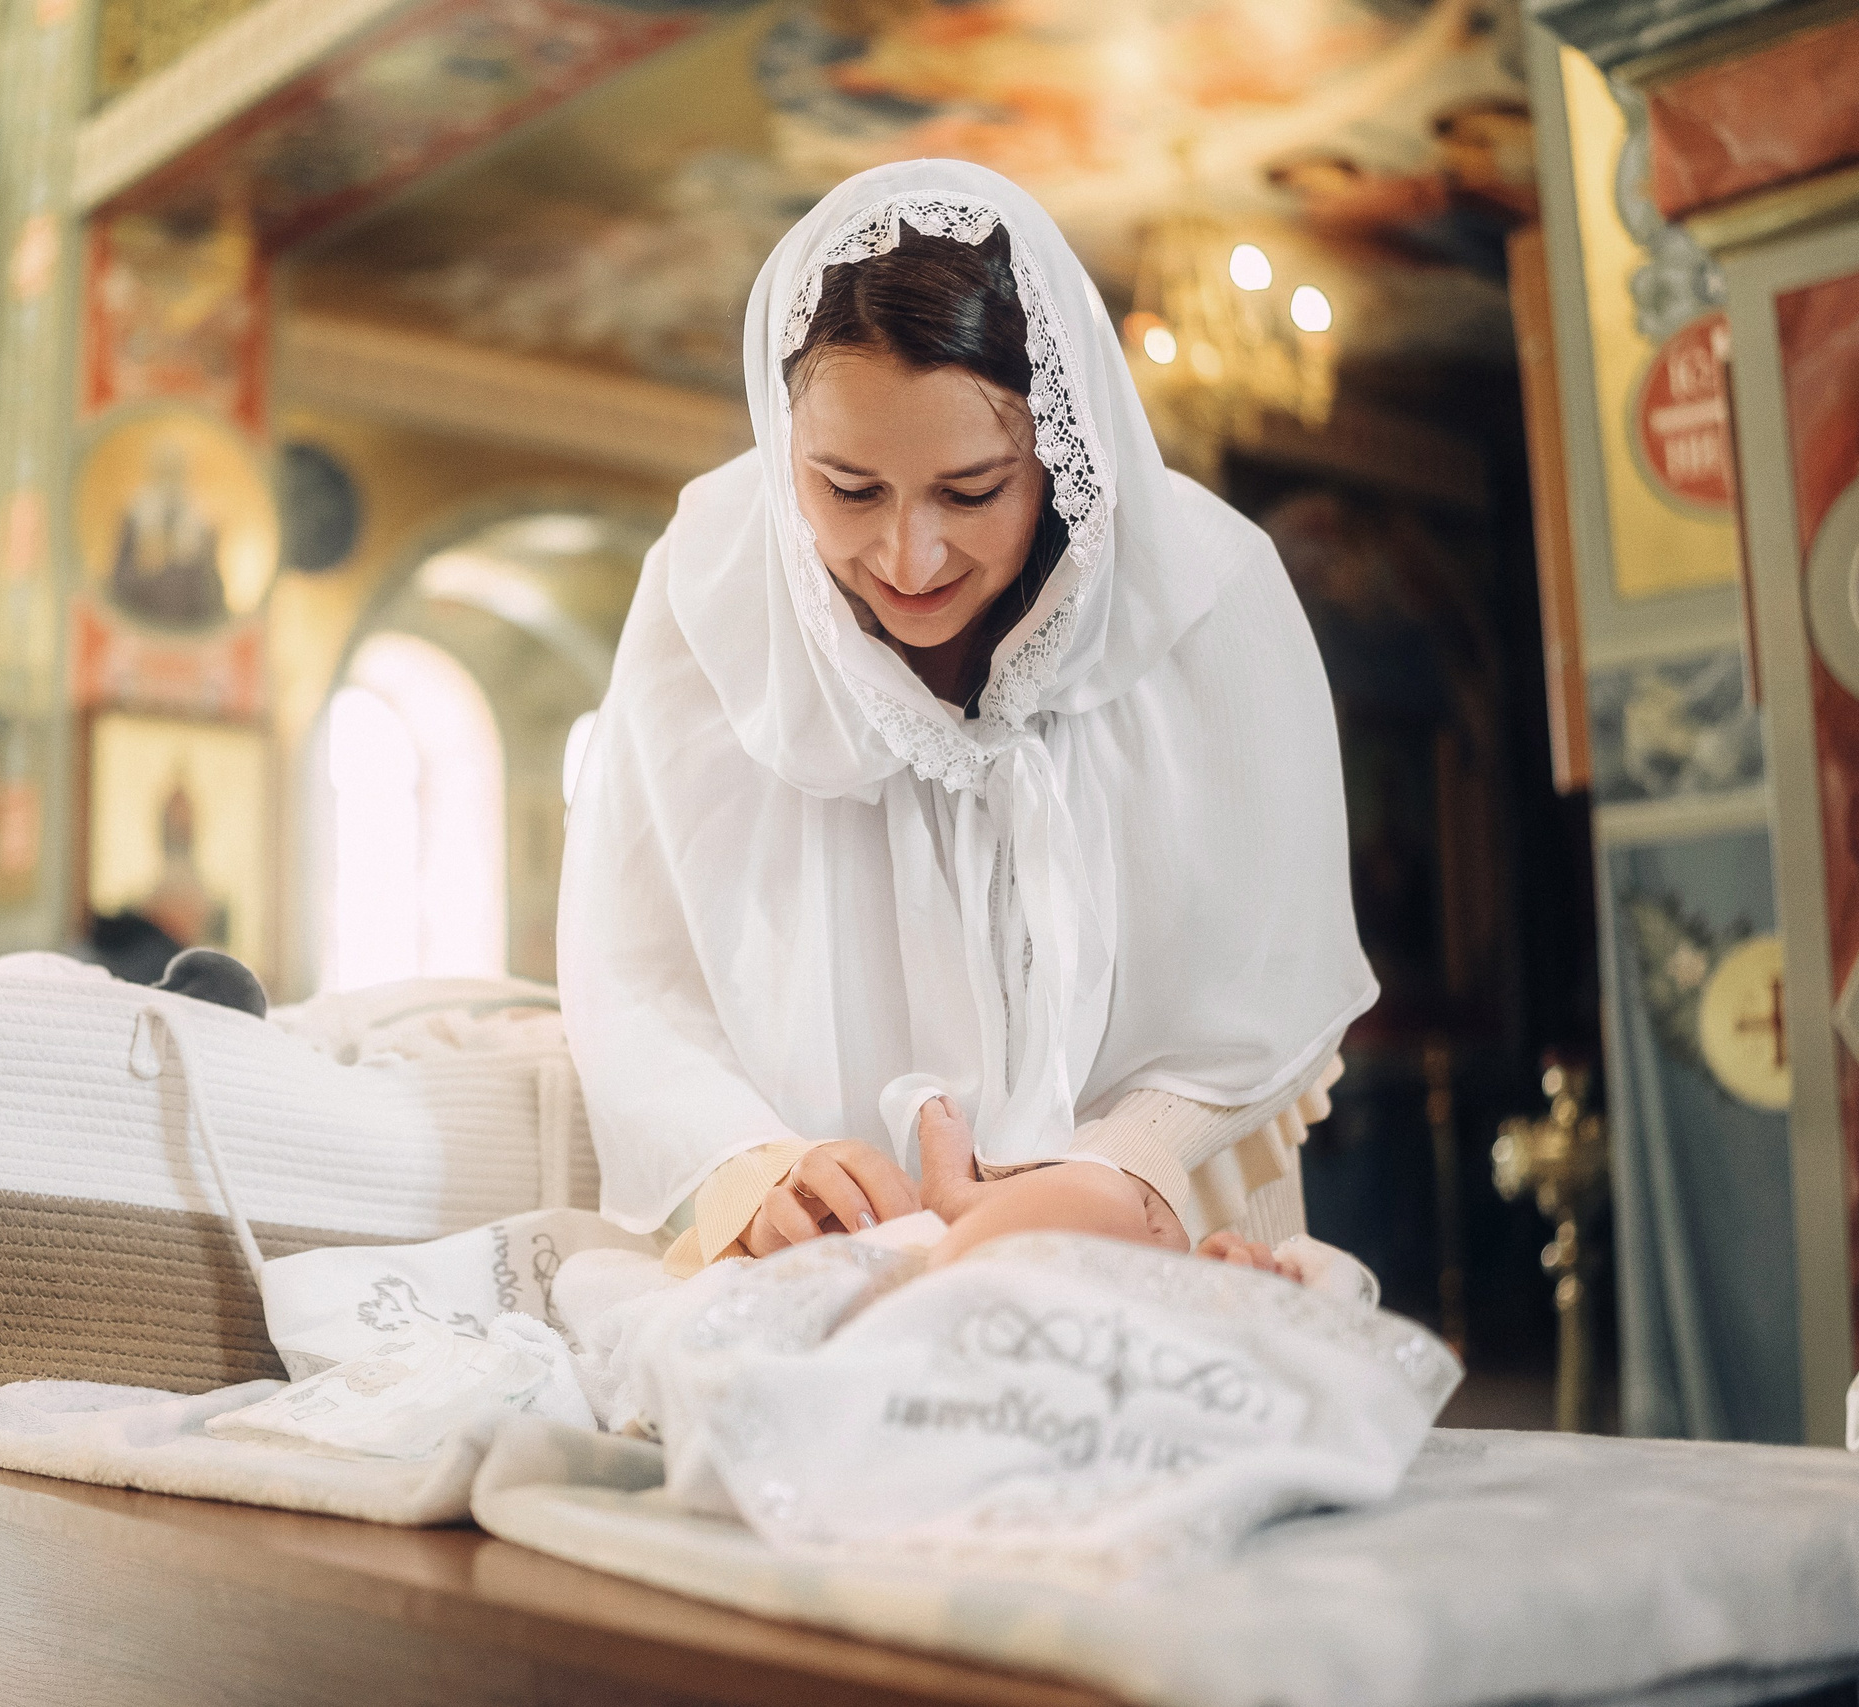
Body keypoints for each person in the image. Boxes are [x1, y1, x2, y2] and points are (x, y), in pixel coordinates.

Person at [559, 160, 1374, 1281]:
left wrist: (1122, 1167)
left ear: (1061, 451)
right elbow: (632, 966)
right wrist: (747, 1165)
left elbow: (1274, 964)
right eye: (847, 490)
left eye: (972, 490)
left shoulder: (1205, 591)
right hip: (828, 1260)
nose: (908, 557)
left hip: (1155, 1221)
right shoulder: (708, 593)